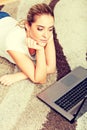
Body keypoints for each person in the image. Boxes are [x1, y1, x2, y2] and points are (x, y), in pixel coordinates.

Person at [0, 3, 56, 86]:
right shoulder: (13, 42)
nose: (46, 35)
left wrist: (19, 75)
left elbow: (51, 68)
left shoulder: (46, 35)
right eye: (40, 29)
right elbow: (40, 79)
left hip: (5, 18)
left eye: (50, 29)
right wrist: (40, 51)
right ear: (27, 26)